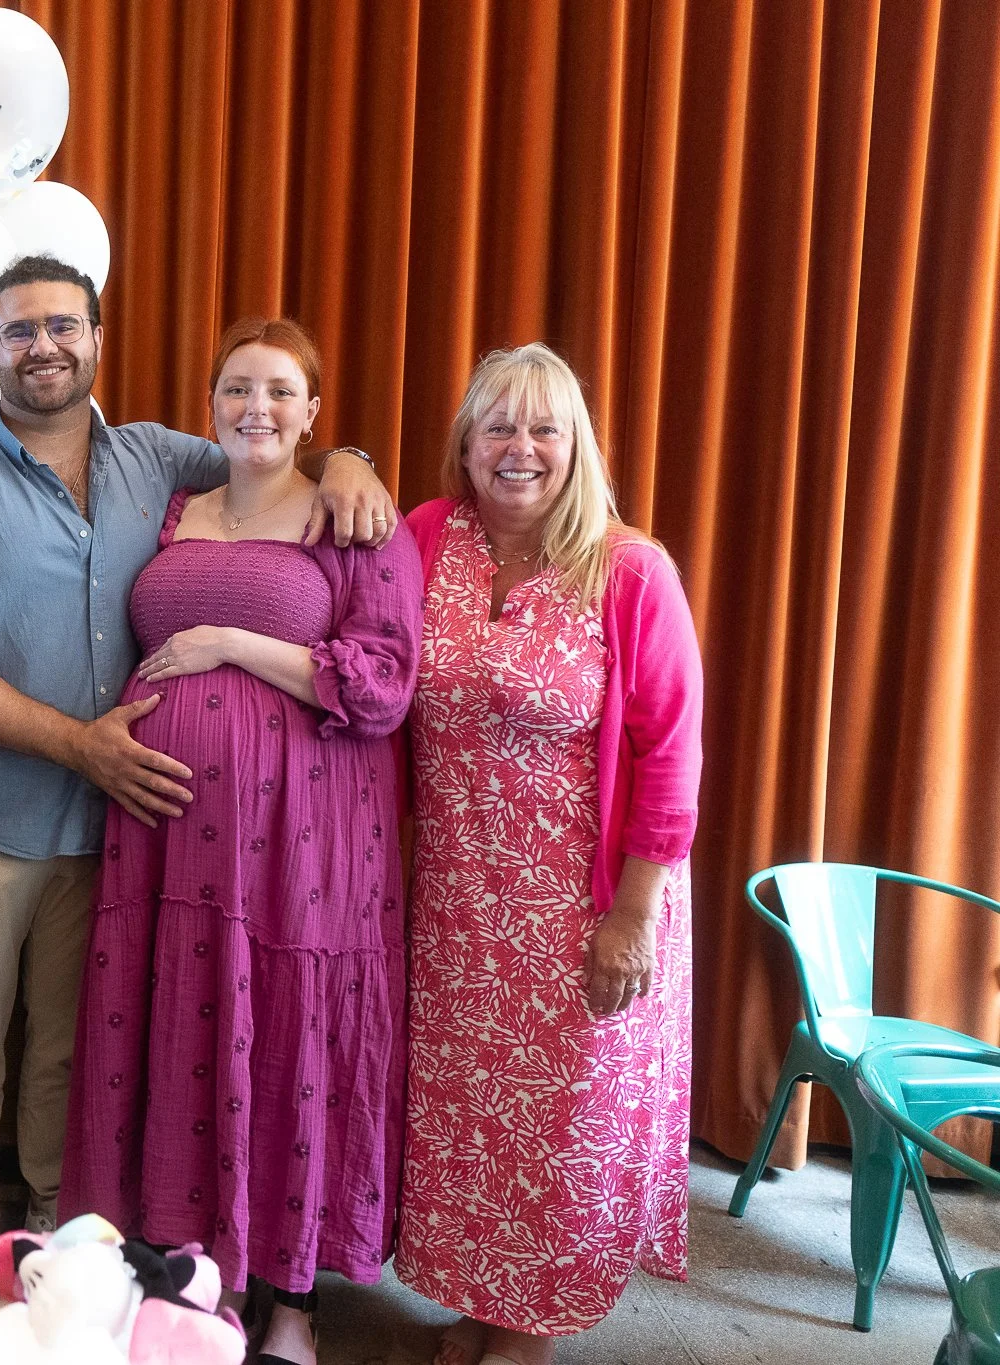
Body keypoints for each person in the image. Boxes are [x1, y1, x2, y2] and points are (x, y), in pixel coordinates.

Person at [0, 254, 396, 1229]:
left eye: (62, 326)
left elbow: (266, 445)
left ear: (98, 339)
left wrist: (349, 455)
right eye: (19, 330)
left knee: (76, 1057)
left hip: (122, 832)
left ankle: (59, 1251)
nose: (43, 347)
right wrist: (78, 746)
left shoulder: (156, 459)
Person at [60, 318, 422, 1365]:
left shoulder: (354, 523)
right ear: (208, 406)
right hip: (165, 842)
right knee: (175, 1028)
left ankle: (291, 1300)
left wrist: (225, 642)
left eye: (277, 391)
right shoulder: (172, 508)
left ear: (313, 412)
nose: (253, 409)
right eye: (234, 390)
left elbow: (379, 683)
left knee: (291, 1041)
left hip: (300, 851)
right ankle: (191, 1278)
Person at [395, 344, 701, 1365]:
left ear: (574, 447)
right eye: (495, 427)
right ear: (464, 444)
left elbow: (669, 750)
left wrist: (631, 912)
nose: (516, 449)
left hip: (584, 902)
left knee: (562, 1120)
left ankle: (530, 1324)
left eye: (541, 428)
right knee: (470, 1114)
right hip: (452, 894)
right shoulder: (428, 538)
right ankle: (478, 1303)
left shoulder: (627, 570)